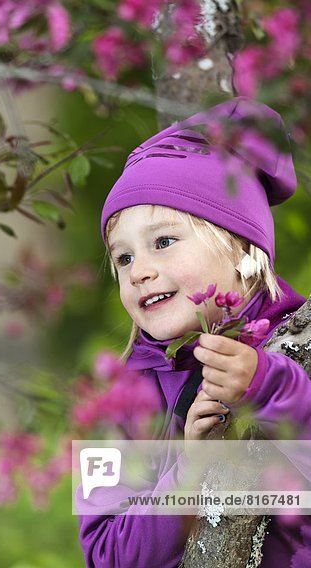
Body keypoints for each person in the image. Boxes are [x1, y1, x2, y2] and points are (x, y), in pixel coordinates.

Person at [77, 96, 311, 567]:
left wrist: (271, 386)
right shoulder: (119, 402)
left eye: (163, 242)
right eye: (123, 258)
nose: (139, 270)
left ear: (239, 244)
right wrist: (189, 468)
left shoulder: (300, 346)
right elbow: (105, 555)